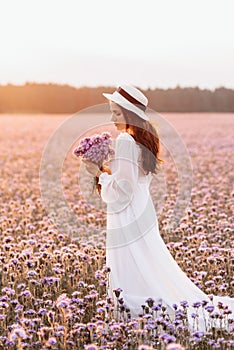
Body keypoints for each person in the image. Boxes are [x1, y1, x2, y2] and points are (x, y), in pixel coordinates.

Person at [84, 85, 234, 332]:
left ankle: (137, 312)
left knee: (133, 263)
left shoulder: (124, 140)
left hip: (128, 215)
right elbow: (131, 181)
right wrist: (106, 172)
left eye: (117, 114)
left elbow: (123, 193)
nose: (112, 119)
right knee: (148, 259)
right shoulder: (143, 138)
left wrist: (97, 173)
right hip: (143, 211)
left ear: (130, 114)